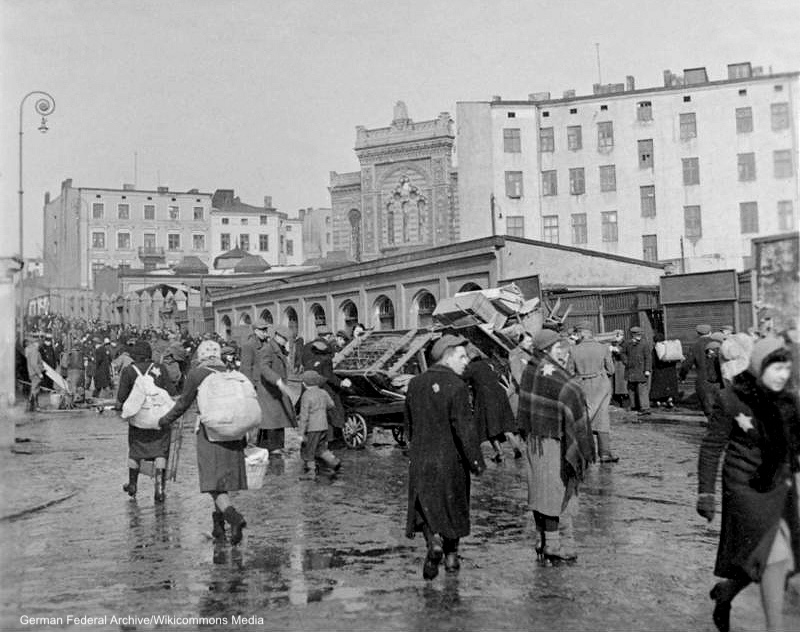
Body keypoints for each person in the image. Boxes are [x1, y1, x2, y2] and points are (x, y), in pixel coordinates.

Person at [697, 336, 799, 632]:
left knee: (770, 554)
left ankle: (726, 592)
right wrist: (706, 492)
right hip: (745, 487)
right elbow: (711, 446)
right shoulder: (732, 398)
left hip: (780, 483)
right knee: (775, 555)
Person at [405, 334, 485, 580]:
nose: (466, 363)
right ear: (447, 356)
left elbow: (408, 424)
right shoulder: (457, 386)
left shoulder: (415, 383)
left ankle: (433, 544)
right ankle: (451, 558)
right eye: (462, 357)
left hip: (422, 459)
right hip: (451, 460)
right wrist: (475, 461)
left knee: (427, 507)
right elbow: (464, 429)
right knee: (453, 506)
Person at [158, 340, 249, 545]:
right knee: (223, 480)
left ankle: (234, 518)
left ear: (200, 355)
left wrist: (164, 420)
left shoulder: (197, 374)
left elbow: (183, 403)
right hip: (233, 432)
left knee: (212, 483)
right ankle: (218, 528)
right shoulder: (229, 371)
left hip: (209, 433)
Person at [517, 329, 595, 563]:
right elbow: (571, 393)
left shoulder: (531, 368)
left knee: (546, 490)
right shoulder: (553, 375)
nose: (563, 352)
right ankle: (553, 543)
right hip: (552, 441)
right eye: (559, 348)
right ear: (548, 349)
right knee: (556, 490)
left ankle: (557, 540)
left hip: (535, 438)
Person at [115, 340, 176, 502]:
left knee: (135, 452)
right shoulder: (160, 368)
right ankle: (160, 488)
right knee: (160, 451)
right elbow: (171, 392)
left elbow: (121, 398)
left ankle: (133, 485)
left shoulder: (128, 371)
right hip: (159, 419)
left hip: (138, 420)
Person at [241, 319, 296, 454]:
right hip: (261, 385)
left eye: (266, 330)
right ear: (255, 330)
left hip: (269, 385)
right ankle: (265, 446)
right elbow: (246, 368)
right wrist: (250, 387)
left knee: (272, 418)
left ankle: (269, 446)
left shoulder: (267, 344)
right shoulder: (250, 345)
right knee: (268, 418)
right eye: (262, 330)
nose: (265, 333)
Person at [567, 321, 617, 463]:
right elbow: (611, 370)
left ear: (581, 333)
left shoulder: (573, 350)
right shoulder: (604, 348)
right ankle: (605, 453)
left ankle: (582, 453)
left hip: (582, 386)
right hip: (601, 386)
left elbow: (570, 372)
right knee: (602, 418)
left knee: (584, 418)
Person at [463, 345, 518, 463]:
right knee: (505, 425)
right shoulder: (487, 365)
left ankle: (500, 454)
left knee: (490, 428)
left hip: (486, 398)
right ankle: (516, 449)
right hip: (500, 395)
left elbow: (462, 380)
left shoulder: (471, 368)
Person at [297, 370, 341, 480]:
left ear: (304, 383)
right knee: (321, 448)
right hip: (324, 426)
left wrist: (301, 433)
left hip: (312, 428)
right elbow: (331, 404)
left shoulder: (306, 395)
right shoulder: (323, 392)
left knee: (309, 450)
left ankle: (311, 473)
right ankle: (333, 461)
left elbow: (304, 416)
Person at [680, 324, 714, 417]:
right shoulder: (718, 343)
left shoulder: (695, 346)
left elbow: (687, 364)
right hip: (718, 379)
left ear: (698, 333)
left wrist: (682, 376)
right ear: (710, 332)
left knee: (708, 408)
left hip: (703, 380)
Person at [622, 326, 652, 418]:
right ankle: (634, 405)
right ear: (632, 335)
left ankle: (645, 408)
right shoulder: (627, 343)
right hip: (630, 370)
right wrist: (626, 361)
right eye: (636, 335)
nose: (639, 336)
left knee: (642, 388)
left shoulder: (644, 344)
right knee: (631, 389)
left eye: (639, 334)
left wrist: (647, 369)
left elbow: (648, 358)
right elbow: (622, 353)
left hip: (641, 370)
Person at [650, 332, 680, 409]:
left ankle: (658, 401)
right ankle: (670, 400)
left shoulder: (655, 349)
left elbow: (653, 362)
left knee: (658, 386)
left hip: (659, 370)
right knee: (670, 386)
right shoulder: (669, 347)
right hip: (670, 370)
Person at [24, 336, 44, 412]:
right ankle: (35, 406)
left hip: (33, 373)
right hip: (35, 373)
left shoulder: (31, 350)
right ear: (36, 343)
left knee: (34, 389)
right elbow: (34, 364)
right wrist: (39, 373)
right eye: (39, 343)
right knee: (35, 389)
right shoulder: (34, 351)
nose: (40, 345)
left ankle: (31, 407)